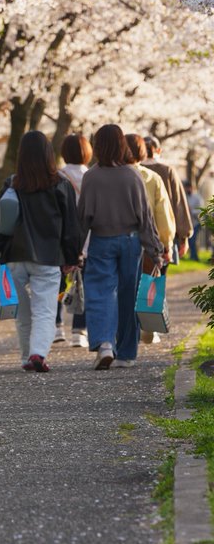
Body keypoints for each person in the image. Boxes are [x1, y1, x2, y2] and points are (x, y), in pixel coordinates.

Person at [0, 131, 81, 373]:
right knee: (45, 311)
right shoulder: (61, 185)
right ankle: (37, 353)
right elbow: (71, 227)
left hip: (14, 256)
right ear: (49, 154)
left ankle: (26, 356)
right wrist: (71, 257)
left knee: (22, 313)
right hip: (48, 258)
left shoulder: (12, 184)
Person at [77, 125, 164, 369]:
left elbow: (82, 217)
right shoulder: (132, 176)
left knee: (101, 292)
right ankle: (126, 353)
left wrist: (75, 249)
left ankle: (105, 343)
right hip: (130, 241)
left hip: (101, 240)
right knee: (128, 295)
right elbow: (145, 217)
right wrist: (155, 250)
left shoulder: (91, 177)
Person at [124, 133, 174, 345]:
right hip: (148, 241)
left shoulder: (110, 175)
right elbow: (163, 214)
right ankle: (147, 326)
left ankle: (125, 332)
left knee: (123, 288)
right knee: (146, 284)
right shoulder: (152, 178)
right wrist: (166, 244)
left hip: (119, 238)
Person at [57, 133, 92, 347]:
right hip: (87, 239)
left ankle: (56, 326)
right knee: (84, 285)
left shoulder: (57, 176)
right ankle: (79, 331)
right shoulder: (92, 176)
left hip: (61, 239)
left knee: (58, 284)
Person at [143, 135, 191, 257]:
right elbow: (178, 203)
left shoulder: (133, 170)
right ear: (159, 150)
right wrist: (184, 236)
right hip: (164, 232)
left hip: (139, 232)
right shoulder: (167, 170)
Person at [183, 179, 204, 261]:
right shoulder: (185, 197)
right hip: (188, 223)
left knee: (193, 241)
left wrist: (191, 210)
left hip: (196, 222)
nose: (186, 189)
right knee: (190, 241)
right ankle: (193, 256)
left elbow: (201, 210)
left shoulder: (198, 198)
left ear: (191, 188)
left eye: (187, 188)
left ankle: (194, 257)